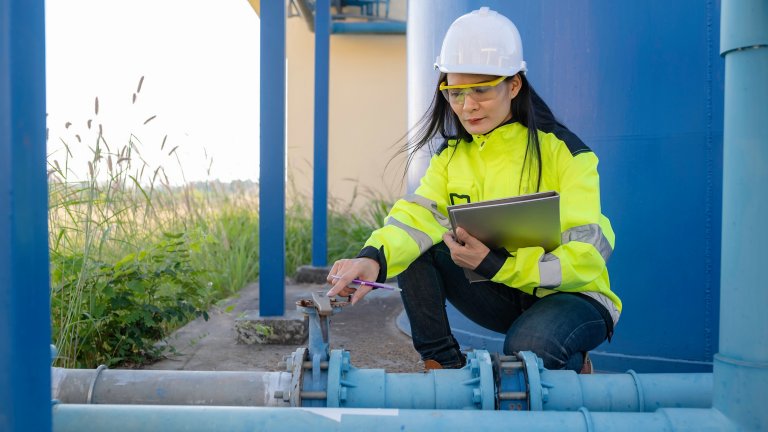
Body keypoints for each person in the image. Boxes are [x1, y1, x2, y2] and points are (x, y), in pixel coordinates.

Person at [326, 6, 620, 373]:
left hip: (572, 295)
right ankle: (445, 368)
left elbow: (589, 252)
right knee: (419, 246)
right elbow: (416, 218)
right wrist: (373, 260)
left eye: (481, 90)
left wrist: (498, 264)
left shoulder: (567, 153)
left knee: (527, 351)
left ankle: (572, 365)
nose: (467, 106)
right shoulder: (451, 157)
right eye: (455, 93)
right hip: (504, 289)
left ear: (514, 85)